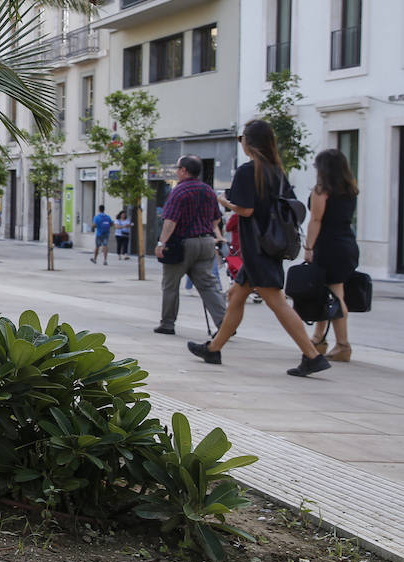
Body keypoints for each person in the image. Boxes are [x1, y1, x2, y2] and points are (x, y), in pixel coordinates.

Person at [188, 120, 329, 377]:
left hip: (257, 248)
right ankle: (214, 348)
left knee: (277, 303)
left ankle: (312, 355)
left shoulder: (248, 171)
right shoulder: (276, 172)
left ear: (249, 142)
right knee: (236, 298)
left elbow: (246, 209)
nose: (240, 142)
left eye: (242, 138)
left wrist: (223, 201)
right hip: (270, 246)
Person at [153, 156, 228, 335]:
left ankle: (168, 323)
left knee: (170, 284)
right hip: (207, 242)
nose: (177, 171)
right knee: (208, 285)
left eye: (178, 168)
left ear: (184, 170)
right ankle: (225, 324)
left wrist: (161, 243)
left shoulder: (179, 191)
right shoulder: (208, 190)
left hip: (182, 243)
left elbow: (170, 220)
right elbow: (217, 218)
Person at [305, 148, 359, 362]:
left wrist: (309, 248)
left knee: (335, 295)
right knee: (327, 293)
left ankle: (343, 344)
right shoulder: (350, 190)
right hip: (347, 243)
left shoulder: (321, 190)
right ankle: (319, 339)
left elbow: (316, 220)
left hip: (328, 245)